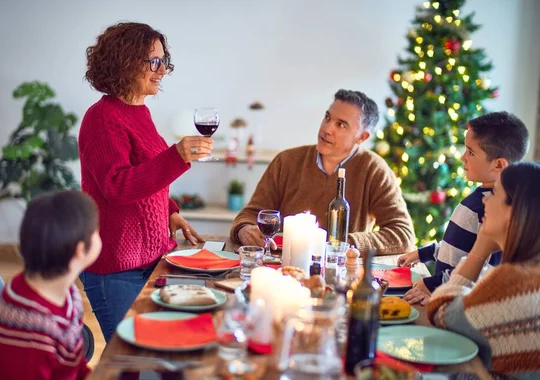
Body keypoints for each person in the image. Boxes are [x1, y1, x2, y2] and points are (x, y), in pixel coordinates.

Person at [79, 22, 213, 341]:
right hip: (116, 267)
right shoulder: (101, 118)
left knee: (162, 348)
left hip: (152, 260)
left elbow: (146, 174)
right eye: (153, 61)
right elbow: (118, 186)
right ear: (125, 62)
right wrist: (177, 155)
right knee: (134, 359)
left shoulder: (139, 112)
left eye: (164, 60)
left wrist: (169, 211)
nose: (162, 69)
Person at [230, 89, 415, 255]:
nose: (327, 129)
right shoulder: (286, 161)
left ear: (362, 137)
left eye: (341, 125)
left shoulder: (374, 170)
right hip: (285, 270)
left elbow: (403, 234)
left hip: (344, 276)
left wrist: (345, 243)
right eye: (327, 117)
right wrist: (244, 229)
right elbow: (251, 213)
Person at [0, 190, 101, 380]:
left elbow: (72, 361)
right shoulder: (29, 332)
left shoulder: (64, 291)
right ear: (80, 250)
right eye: (96, 232)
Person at [427, 162, 540, 380]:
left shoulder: (516, 283)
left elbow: (441, 312)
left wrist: (481, 246)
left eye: (496, 193)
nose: (486, 200)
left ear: (514, 210)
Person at [401, 112, 529, 305]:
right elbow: (460, 251)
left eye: (470, 152)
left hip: (457, 304)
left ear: (499, 164)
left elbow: (483, 270)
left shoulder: (496, 213)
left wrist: (435, 283)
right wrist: (426, 253)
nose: (462, 158)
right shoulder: (480, 197)